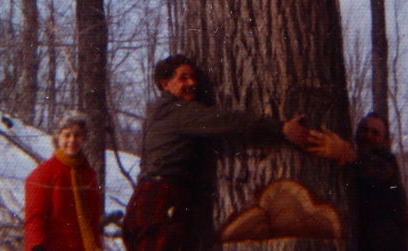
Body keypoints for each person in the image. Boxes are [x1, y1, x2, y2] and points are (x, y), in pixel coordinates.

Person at [121, 54, 311, 251]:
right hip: (159, 198)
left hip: (147, 199)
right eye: (183, 78)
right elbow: (227, 121)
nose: (192, 83)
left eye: (193, 77)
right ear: (165, 83)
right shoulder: (178, 110)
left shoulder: (159, 111)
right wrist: (280, 128)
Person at [309, 112, 408, 251]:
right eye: (364, 130)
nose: (368, 135)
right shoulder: (356, 168)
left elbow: (379, 169)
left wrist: (345, 153)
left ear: (385, 141)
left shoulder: (387, 162)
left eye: (375, 133)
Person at [24, 111, 102, 251]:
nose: (72, 140)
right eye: (67, 135)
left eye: (77, 135)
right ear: (58, 138)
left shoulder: (88, 175)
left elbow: (93, 221)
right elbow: (34, 219)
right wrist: (36, 246)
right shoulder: (44, 173)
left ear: (84, 138)